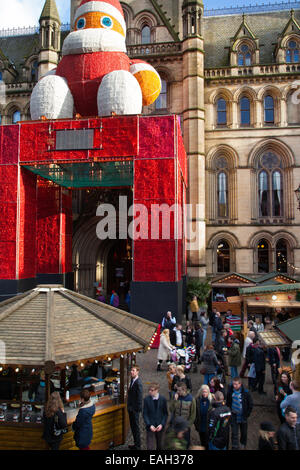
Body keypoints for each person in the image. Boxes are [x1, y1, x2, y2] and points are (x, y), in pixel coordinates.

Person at [226, 377, 253, 450]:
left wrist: (247, 414)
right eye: (233, 384)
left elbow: (250, 404)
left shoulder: (246, 393)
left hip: (243, 415)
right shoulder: (230, 392)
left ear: (240, 384)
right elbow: (228, 402)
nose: (235, 386)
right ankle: (234, 446)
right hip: (233, 415)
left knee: (244, 432)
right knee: (234, 433)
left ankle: (242, 444)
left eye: (236, 384)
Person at [169, 382, 196, 448]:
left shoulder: (191, 399)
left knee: (186, 443)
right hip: (176, 425)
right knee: (176, 443)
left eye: (179, 390)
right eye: (177, 390)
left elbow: (193, 414)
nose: (177, 392)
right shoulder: (175, 397)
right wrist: (174, 400)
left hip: (185, 426)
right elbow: (171, 409)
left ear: (184, 390)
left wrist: (188, 425)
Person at [143, 383, 168, 450]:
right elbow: (145, 414)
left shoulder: (163, 399)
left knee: (160, 446)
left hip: (160, 426)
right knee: (150, 446)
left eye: (152, 390)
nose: (150, 392)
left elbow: (165, 414)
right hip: (150, 426)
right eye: (149, 390)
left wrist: (162, 424)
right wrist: (149, 424)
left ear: (157, 390)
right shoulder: (146, 399)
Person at [127, 365, 143, 450]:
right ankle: (136, 443)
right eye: (131, 370)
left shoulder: (138, 383)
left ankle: (138, 445)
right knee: (133, 427)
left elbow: (139, 397)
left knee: (136, 427)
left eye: (133, 370)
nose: (131, 372)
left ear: (137, 372)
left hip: (134, 409)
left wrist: (136, 409)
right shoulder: (133, 380)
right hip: (131, 408)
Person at [194, 385, 213, 449]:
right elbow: (195, 413)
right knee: (202, 441)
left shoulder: (211, 400)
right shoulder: (197, 400)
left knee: (208, 441)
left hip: (209, 425)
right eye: (203, 392)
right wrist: (196, 423)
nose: (204, 393)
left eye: (206, 392)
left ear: (208, 392)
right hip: (200, 424)